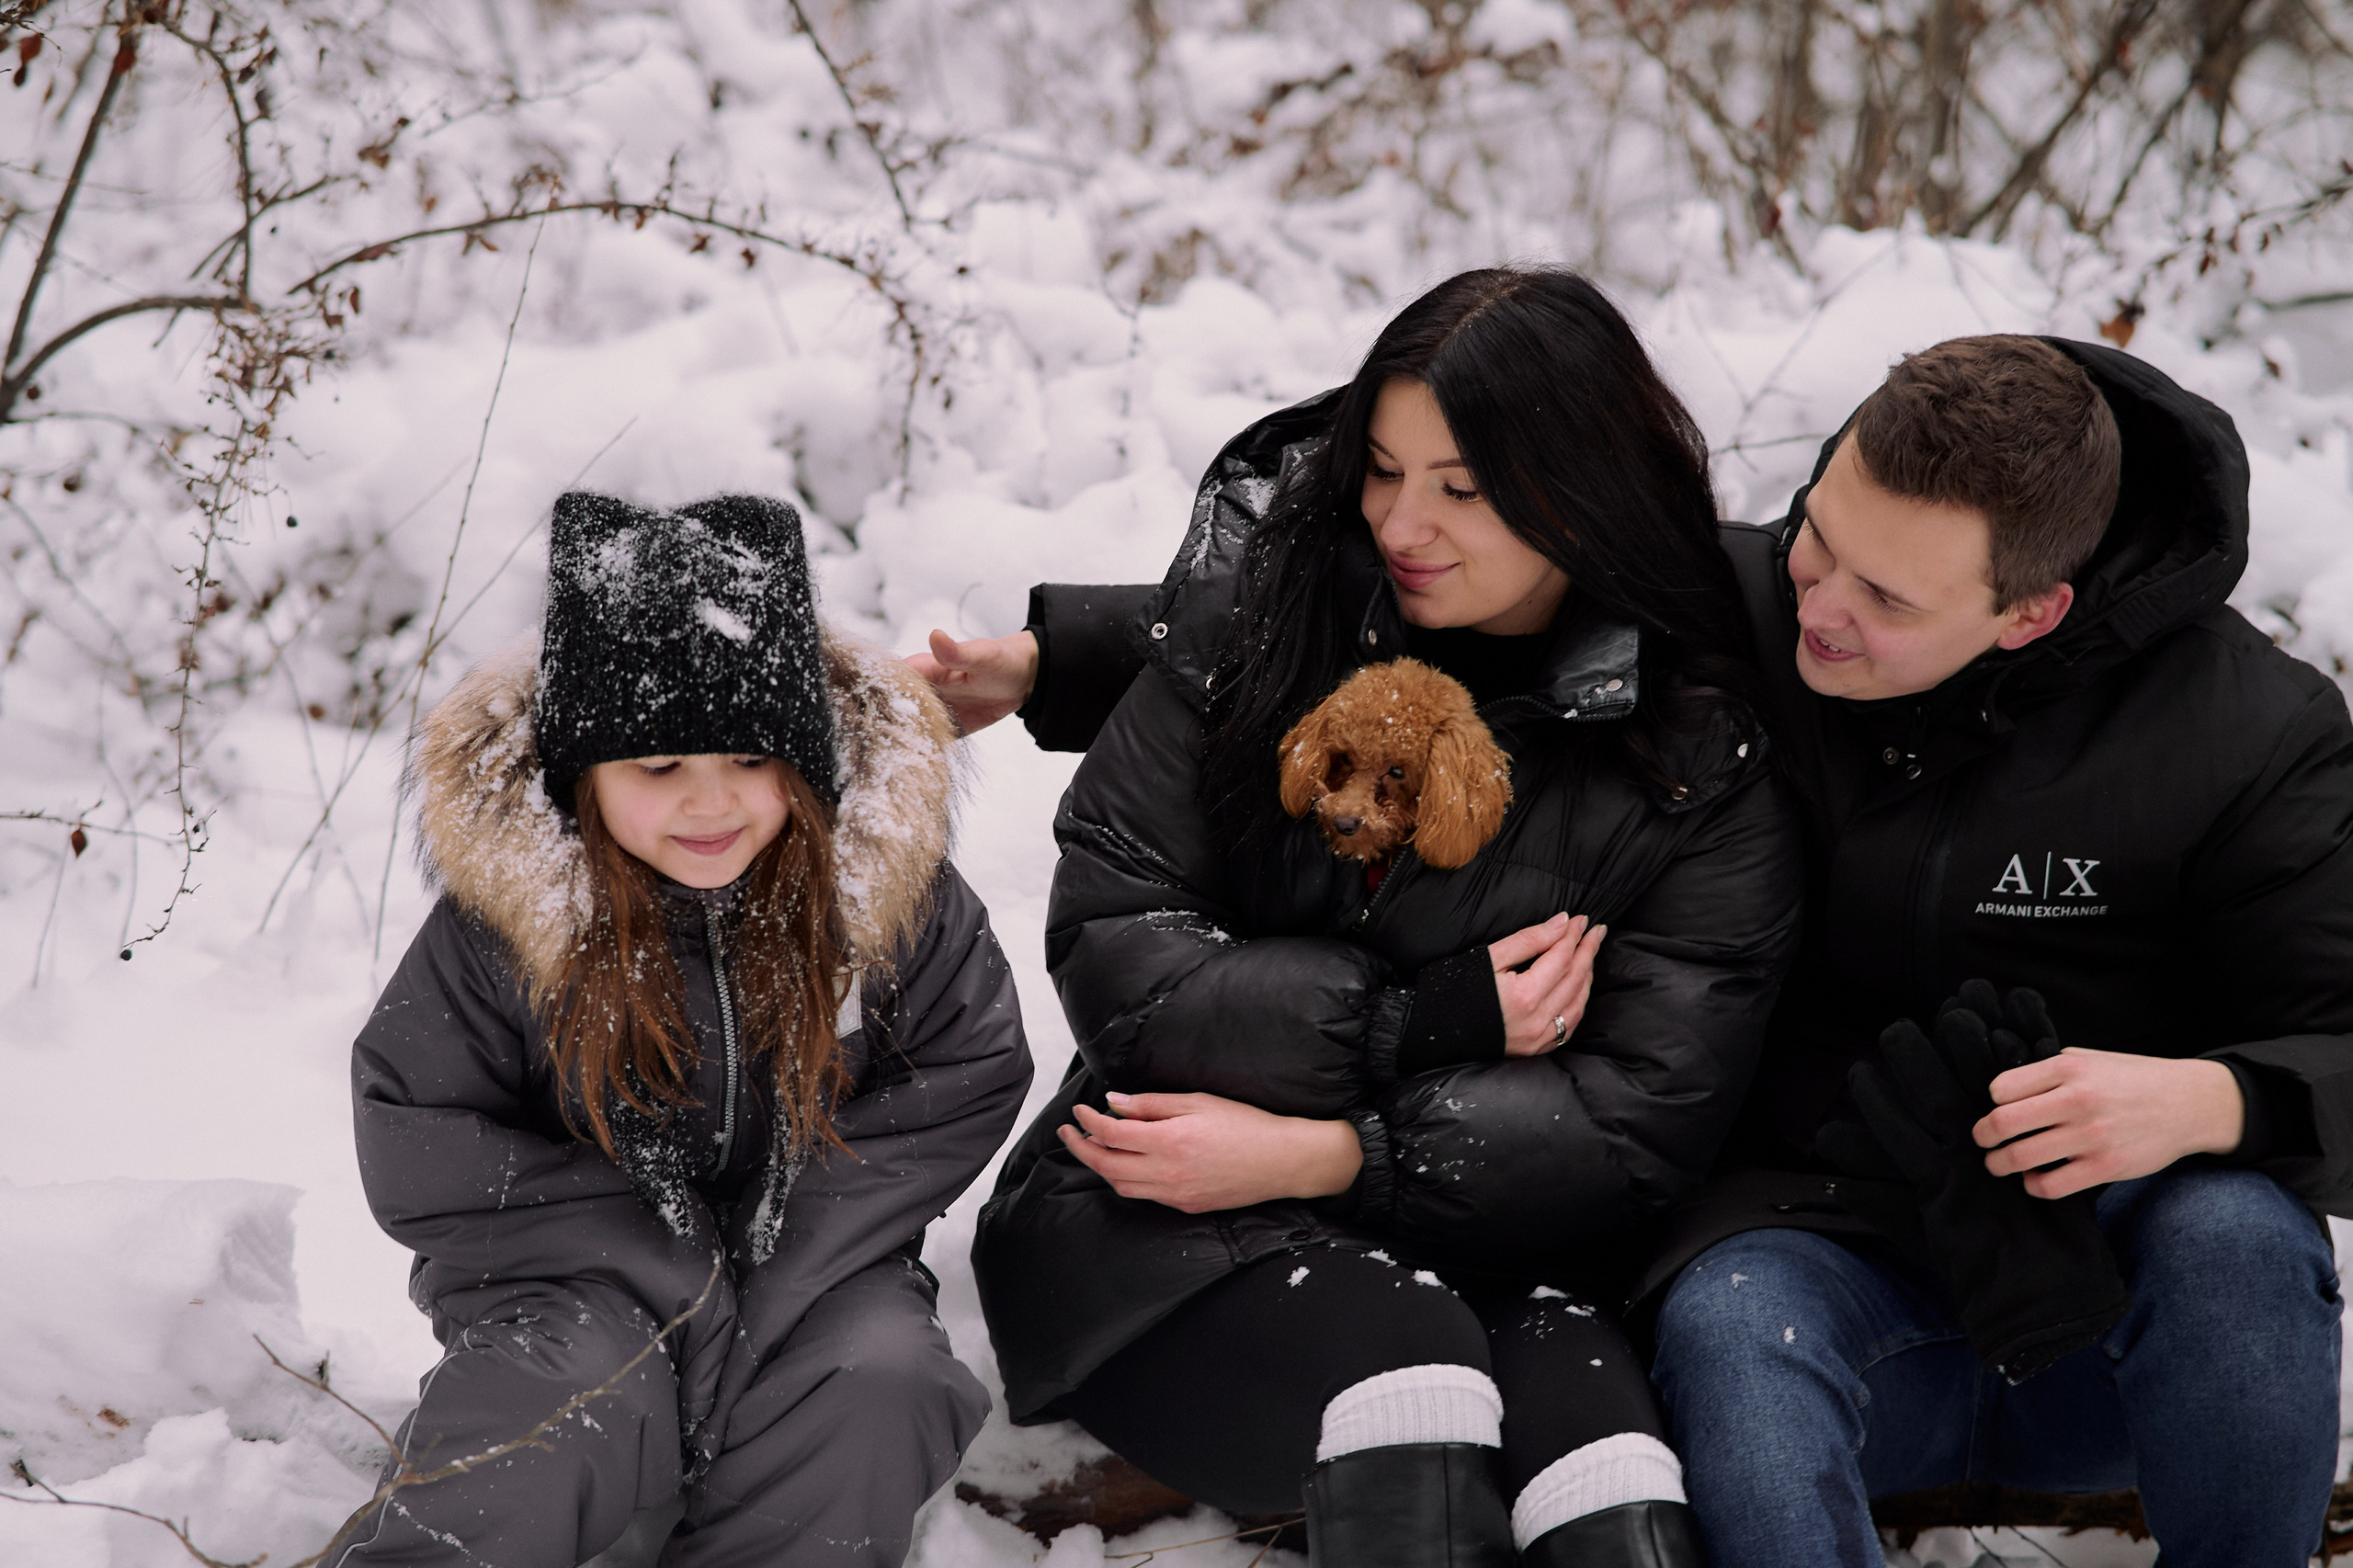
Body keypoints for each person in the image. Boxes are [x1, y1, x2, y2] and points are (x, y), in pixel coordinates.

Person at [932, 334, 2353, 1567]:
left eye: (1887, 600)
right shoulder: (1753, 610)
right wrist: (1062, 662)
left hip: (2111, 1291)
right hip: (1810, 1237)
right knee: (1738, 1328)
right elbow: (1445, 602)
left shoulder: (2250, 739)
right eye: (1816, 537)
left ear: (2033, 611)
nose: (1819, 605)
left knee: (2235, 1231)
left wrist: (2213, 1098)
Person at [965, 267, 1805, 1568]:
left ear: (1585, 490)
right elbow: (1122, 941)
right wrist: (1420, 1019)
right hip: (1171, 1205)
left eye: (1462, 488)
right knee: (1415, 1386)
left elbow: (1640, 1114)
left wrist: (1335, 1153)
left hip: (1493, 1228)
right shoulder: (1267, 612)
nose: (1404, 520)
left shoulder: (1691, 748)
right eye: (1383, 468)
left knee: (1603, 1462)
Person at [341, 492, 1031, 1568]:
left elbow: (963, 1067)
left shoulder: (883, 898)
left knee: (879, 1384)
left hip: (821, 1259)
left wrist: (785, 1265)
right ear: (583, 778)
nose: (711, 804)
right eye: (658, 768)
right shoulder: (512, 923)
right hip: (571, 1273)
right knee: (554, 1397)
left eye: (752, 761)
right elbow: (420, 1123)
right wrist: (680, 1274)